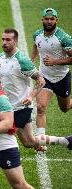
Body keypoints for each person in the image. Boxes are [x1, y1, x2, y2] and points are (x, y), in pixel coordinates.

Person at [0, 28, 72, 183]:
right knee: (28, 142)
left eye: (8, 40)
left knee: (1, 136)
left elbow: (41, 80)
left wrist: (31, 96)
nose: (4, 43)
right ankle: (65, 141)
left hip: (21, 108)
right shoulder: (0, 57)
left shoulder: (22, 60)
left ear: (15, 41)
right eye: (3, 39)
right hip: (8, 107)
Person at [31, 8, 72, 140]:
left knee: (65, 108)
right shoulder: (37, 34)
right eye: (47, 19)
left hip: (61, 78)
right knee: (41, 107)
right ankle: (40, 141)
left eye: (52, 19)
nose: (49, 21)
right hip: (44, 77)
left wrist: (55, 61)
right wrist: (32, 61)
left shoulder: (63, 38)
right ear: (42, 19)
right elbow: (36, 47)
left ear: (56, 20)